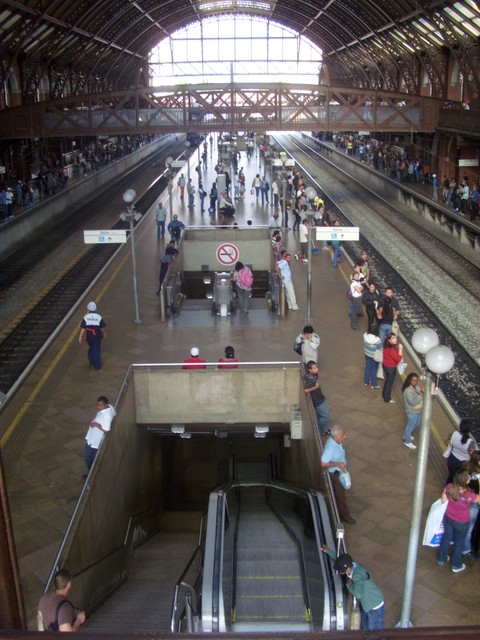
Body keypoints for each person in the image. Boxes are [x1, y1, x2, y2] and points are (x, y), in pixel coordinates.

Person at [321, 549, 384, 630]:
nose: (339, 572)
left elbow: (358, 594)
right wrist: (329, 552)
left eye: (340, 570)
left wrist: (349, 584)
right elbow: (340, 561)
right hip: (366, 604)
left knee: (375, 631)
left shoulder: (356, 576)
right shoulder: (352, 564)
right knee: (364, 625)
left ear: (347, 568)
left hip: (374, 606)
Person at [437, 469, 480, 573]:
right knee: (459, 543)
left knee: (446, 538)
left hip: (448, 517)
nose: (470, 477)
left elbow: (443, 500)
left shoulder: (449, 487)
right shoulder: (469, 494)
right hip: (462, 522)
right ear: (465, 481)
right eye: (468, 477)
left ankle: (441, 559)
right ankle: (456, 565)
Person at [321, 425, 355, 524]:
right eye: (342, 435)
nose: (344, 436)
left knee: (339, 495)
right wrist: (337, 464)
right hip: (335, 475)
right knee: (340, 496)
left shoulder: (335, 441)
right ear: (336, 436)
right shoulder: (330, 449)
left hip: (338, 471)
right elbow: (323, 463)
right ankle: (345, 515)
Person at [84, 396, 116, 471]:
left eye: (100, 405)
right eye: (98, 405)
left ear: (105, 404)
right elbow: (114, 413)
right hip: (91, 438)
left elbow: (107, 430)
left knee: (88, 458)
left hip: (94, 442)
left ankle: (91, 471)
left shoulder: (107, 416)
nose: (98, 407)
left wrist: (97, 425)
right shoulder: (110, 407)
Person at [445, 418, 477, 483]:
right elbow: (473, 455)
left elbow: (446, 443)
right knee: (459, 481)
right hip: (463, 464)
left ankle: (447, 489)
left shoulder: (453, 434)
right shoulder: (470, 442)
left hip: (451, 459)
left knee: (450, 476)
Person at [303, 361, 330, 435]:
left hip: (320, 398)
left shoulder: (312, 375)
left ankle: (325, 430)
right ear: (310, 370)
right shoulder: (310, 378)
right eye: (314, 368)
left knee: (320, 415)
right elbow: (306, 390)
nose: (317, 369)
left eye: (316, 367)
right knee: (326, 416)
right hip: (318, 401)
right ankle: (320, 427)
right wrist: (316, 386)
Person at [78, 301, 106, 370]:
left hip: (89, 335)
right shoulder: (98, 317)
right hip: (97, 335)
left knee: (91, 347)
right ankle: (97, 366)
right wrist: (104, 333)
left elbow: (83, 328)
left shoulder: (86, 317)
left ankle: (91, 361)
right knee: (96, 349)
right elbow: (102, 328)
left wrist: (80, 336)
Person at [402, 373, 423, 449]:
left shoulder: (415, 387)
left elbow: (419, 391)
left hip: (417, 411)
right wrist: (420, 395)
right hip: (412, 411)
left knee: (417, 423)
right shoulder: (408, 391)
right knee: (410, 426)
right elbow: (412, 402)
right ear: (409, 380)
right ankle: (407, 441)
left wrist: (420, 392)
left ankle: (407, 435)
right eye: (413, 381)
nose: (415, 382)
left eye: (416, 381)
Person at [381, 332, 403, 403]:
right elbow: (398, 358)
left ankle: (384, 394)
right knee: (389, 383)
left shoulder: (386, 346)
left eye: (395, 337)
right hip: (391, 367)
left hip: (385, 365)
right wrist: (400, 349)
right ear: (389, 340)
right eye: (393, 338)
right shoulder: (392, 349)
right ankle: (387, 398)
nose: (395, 339)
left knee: (387, 381)